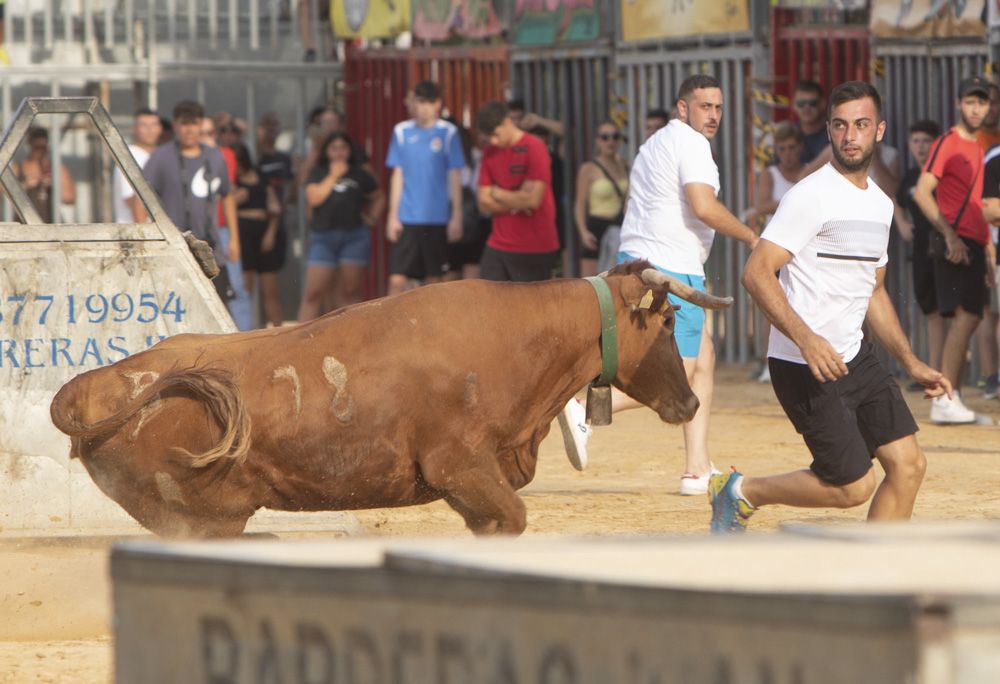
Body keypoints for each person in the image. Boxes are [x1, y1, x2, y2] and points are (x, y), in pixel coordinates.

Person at [715, 81, 951, 534]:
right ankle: (741, 491)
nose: (850, 136)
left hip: (854, 356)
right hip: (803, 364)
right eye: (840, 126)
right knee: (853, 487)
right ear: (828, 130)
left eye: (861, 125)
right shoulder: (809, 195)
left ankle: (872, 578)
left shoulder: (881, 205)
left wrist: (910, 361)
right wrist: (807, 341)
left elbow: (874, 292)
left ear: (878, 130)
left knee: (909, 465)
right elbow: (756, 273)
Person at [563, 75, 759, 489]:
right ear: (682, 108)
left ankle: (697, 468)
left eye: (719, 107)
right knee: (679, 373)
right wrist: (753, 238)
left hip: (636, 264)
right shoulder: (692, 144)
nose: (714, 115)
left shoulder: (652, 144)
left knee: (704, 358)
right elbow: (704, 207)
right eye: (705, 107)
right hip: (673, 269)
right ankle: (585, 409)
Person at [913, 76, 991, 424]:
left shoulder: (979, 146)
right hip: (955, 241)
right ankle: (946, 397)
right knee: (967, 316)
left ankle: (950, 397)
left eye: (982, 102)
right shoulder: (948, 141)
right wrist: (950, 236)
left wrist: (987, 253)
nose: (976, 108)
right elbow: (921, 191)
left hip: (973, 241)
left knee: (969, 316)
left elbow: (977, 202)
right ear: (959, 103)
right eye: (970, 102)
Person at [143, 100, 239, 301]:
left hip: (211, 245)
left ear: (201, 125)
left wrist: (234, 239)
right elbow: (142, 196)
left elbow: (227, 194)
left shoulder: (214, 156)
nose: (189, 130)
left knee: (220, 305)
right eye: (184, 124)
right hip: (173, 246)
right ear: (176, 125)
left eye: (193, 124)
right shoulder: (161, 157)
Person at [385, 81, 464, 295]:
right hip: (408, 217)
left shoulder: (448, 133)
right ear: (413, 103)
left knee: (435, 281)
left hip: (437, 217)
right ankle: (394, 326)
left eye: (430, 102)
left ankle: (430, 328)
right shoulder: (401, 131)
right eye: (421, 102)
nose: (425, 107)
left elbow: (454, 175)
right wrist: (393, 216)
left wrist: (456, 216)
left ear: (438, 104)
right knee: (397, 280)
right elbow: (397, 174)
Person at [298, 131, 383, 321]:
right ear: (326, 151)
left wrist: (372, 217)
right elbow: (314, 198)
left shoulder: (359, 173)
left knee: (350, 291)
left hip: (354, 237)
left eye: (343, 148)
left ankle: (351, 337)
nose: (338, 152)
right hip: (323, 238)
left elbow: (379, 196)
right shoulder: (318, 172)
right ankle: (299, 339)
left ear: (350, 151)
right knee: (313, 292)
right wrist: (333, 175)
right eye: (334, 148)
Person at [475, 100, 560, 282]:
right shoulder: (490, 151)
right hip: (498, 243)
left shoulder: (535, 147)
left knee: (532, 308)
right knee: (487, 304)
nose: (493, 141)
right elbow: (483, 202)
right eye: (489, 137)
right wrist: (518, 199)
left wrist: (497, 193)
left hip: (535, 245)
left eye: (496, 135)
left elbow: (533, 201)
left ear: (507, 122)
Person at [747, 122, 804, 383]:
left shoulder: (808, 171)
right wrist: (793, 202)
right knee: (771, 303)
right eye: (782, 149)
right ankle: (768, 360)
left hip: (804, 248)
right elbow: (761, 206)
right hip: (778, 246)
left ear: (800, 148)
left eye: (792, 148)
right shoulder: (771, 173)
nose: (788, 154)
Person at [895, 120, 945, 378]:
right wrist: (902, 222)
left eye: (927, 141)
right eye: (916, 141)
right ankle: (934, 370)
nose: (921, 146)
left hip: (947, 250)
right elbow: (897, 198)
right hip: (921, 252)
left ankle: (942, 371)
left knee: (952, 313)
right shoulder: (911, 176)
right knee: (931, 311)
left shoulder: (944, 174)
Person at [201, 114, 252, 330]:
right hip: (193, 230)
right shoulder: (175, 157)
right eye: (201, 133)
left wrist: (234, 238)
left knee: (235, 287)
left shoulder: (224, 155)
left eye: (211, 133)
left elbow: (225, 193)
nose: (206, 138)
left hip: (220, 229)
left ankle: (245, 337)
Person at [232, 143, 286, 328]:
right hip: (242, 232)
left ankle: (279, 330)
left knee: (271, 289)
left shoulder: (260, 176)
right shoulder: (230, 180)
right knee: (245, 289)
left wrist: (270, 233)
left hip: (264, 231)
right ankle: (246, 330)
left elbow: (275, 208)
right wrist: (236, 198)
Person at [573, 121, 629, 277]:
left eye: (615, 137)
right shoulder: (588, 168)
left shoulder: (624, 165)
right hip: (596, 228)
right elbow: (580, 204)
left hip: (618, 227)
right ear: (598, 141)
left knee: (617, 281)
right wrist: (583, 232)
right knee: (592, 283)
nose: (610, 141)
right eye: (605, 137)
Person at [976, 82, 1000, 397]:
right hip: (992, 243)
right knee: (989, 314)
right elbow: (987, 206)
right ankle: (990, 377)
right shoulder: (993, 155)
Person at [14, 127, 76, 223]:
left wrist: (55, 184)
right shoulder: (17, 168)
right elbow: (3, 196)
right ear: (30, 145)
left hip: (50, 224)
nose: (40, 152)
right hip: (23, 226)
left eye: (44, 147)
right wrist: (25, 185)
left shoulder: (57, 168)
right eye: (37, 148)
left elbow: (69, 198)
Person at [113, 108, 162, 223]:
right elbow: (131, 200)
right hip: (135, 233)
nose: (150, 130)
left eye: (154, 125)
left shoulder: (160, 157)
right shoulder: (128, 157)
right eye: (144, 125)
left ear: (160, 129)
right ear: (134, 129)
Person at [790, 80, 829, 165]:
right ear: (794, 105)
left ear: (822, 104)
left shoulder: (833, 135)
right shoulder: (787, 136)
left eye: (812, 103)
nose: (807, 107)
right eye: (801, 103)